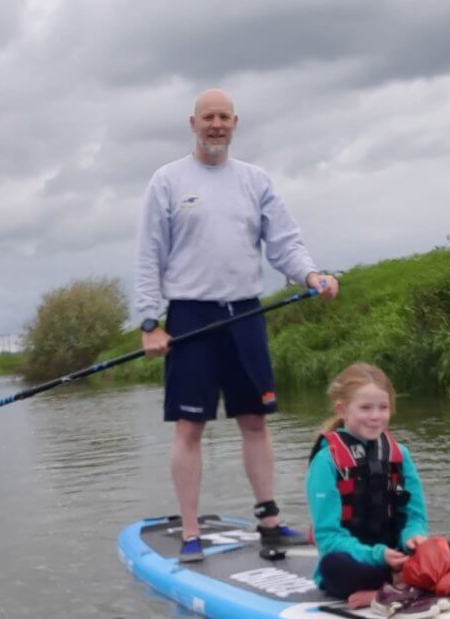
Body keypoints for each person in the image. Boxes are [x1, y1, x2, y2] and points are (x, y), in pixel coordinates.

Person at [135, 87, 339, 564]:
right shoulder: (166, 181)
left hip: (244, 313)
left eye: (224, 117)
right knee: (190, 426)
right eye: (208, 117)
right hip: (190, 316)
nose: (216, 125)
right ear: (192, 123)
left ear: (235, 123)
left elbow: (285, 242)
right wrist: (150, 322)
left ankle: (269, 521)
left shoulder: (254, 180)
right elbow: (149, 255)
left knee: (255, 421)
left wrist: (311, 274)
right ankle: (189, 529)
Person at [306, 362, 450, 615]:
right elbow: (328, 539)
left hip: (402, 559)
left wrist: (414, 536)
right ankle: (412, 583)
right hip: (360, 563)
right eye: (365, 408)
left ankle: (394, 587)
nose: (376, 416)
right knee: (333, 566)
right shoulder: (325, 461)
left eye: (383, 407)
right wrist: (378, 555)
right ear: (342, 409)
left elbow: (415, 515)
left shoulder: (400, 455)